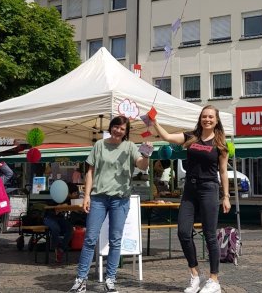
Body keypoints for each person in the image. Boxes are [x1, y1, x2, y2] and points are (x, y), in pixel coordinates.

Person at [152, 105, 231, 293]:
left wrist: (226, 196)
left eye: (211, 117)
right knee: (183, 232)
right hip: (190, 189)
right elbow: (168, 137)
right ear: (200, 119)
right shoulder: (191, 137)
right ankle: (195, 275)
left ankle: (214, 280)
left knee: (210, 235)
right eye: (204, 116)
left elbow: (223, 172)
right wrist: (154, 121)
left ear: (216, 120)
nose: (207, 119)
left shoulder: (221, 144)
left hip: (209, 188)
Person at [67, 116, 151, 293]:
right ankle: (81, 280)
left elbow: (142, 166)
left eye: (122, 128)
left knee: (115, 240)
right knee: (90, 238)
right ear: (111, 127)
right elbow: (90, 172)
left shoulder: (129, 147)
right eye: (115, 127)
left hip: (120, 199)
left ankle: (110, 280)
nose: (118, 130)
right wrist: (86, 196)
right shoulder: (99, 145)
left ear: (126, 131)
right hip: (98, 197)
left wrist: (146, 154)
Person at [44, 181, 80, 263]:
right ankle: (55, 247)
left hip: (59, 218)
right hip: (49, 217)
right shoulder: (56, 196)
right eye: (75, 193)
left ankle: (61, 248)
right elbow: (49, 208)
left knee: (70, 229)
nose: (76, 195)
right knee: (55, 228)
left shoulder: (69, 200)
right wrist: (58, 208)